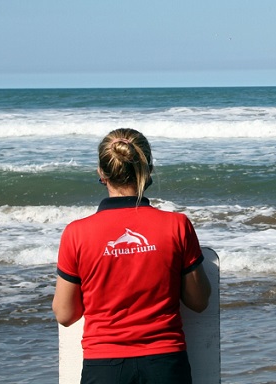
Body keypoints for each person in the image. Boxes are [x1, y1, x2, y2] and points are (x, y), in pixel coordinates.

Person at [52, 128, 211, 384]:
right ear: (148, 171)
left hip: (103, 365)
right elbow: (199, 301)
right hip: (165, 362)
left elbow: (65, 314)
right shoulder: (177, 225)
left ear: (101, 173)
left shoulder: (76, 233)